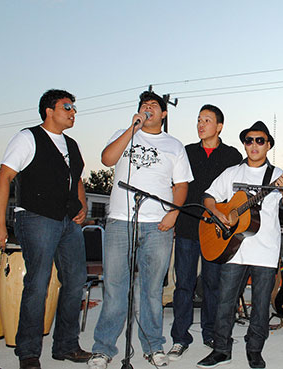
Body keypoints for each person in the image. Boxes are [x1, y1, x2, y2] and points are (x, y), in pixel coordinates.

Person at [87, 91, 193, 369]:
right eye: (144, 106)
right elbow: (107, 159)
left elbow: (181, 185)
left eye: (153, 106)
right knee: (114, 287)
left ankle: (153, 346)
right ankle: (103, 348)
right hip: (121, 221)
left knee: (151, 289)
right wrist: (131, 129)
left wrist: (173, 213)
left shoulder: (174, 145)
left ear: (164, 114)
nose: (148, 108)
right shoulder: (123, 133)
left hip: (157, 224)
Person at [0, 89, 91, 369]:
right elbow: (4, 178)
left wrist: (81, 206)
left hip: (67, 222)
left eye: (74, 108)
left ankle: (66, 346)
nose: (73, 112)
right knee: (38, 283)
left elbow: (78, 179)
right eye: (67, 107)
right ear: (49, 110)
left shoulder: (71, 144)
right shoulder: (27, 138)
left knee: (75, 282)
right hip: (36, 218)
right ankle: (28, 351)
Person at [196, 121, 283, 369]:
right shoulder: (233, 172)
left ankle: (254, 350)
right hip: (233, 250)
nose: (254, 145)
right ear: (244, 144)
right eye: (249, 140)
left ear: (268, 145)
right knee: (225, 301)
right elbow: (208, 196)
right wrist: (218, 213)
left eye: (259, 140)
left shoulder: (277, 174)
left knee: (261, 305)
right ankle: (221, 349)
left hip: (265, 250)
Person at [168, 105, 242, 361]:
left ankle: (211, 333)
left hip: (216, 232)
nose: (201, 124)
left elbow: (234, 194)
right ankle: (180, 337)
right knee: (184, 285)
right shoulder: (186, 152)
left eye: (207, 120)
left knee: (213, 285)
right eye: (199, 120)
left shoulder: (232, 156)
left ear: (219, 126)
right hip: (188, 227)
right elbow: (177, 185)